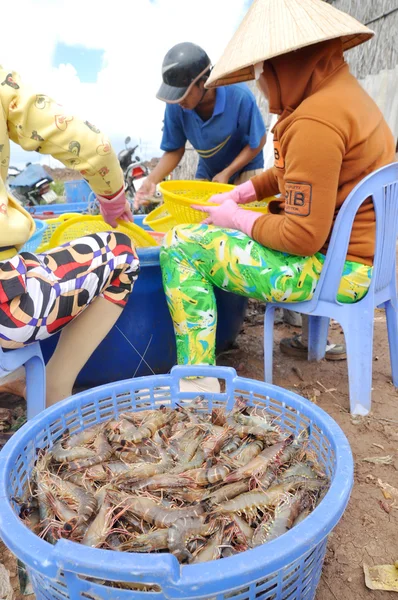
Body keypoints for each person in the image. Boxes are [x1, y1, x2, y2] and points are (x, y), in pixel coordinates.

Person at [159, 0, 395, 393]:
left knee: (181, 245)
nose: (260, 83)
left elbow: (302, 238)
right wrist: (241, 193)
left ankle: (199, 381)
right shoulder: (343, 97)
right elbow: (291, 172)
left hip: (338, 273)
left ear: (288, 63)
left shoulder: (315, 121)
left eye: (262, 71)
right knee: (233, 225)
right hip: (370, 262)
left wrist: (235, 217)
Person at [0, 65, 139, 407]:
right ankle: (53, 388)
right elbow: (93, 145)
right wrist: (112, 199)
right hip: (8, 311)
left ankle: (11, 376)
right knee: (123, 252)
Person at [135, 42, 266, 206]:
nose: (179, 100)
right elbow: (175, 149)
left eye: (184, 93)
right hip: (209, 168)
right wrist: (151, 180)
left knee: (243, 220)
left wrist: (228, 172)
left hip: (246, 165)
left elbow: (259, 140)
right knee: (202, 221)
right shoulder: (176, 103)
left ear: (204, 82)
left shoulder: (239, 96)